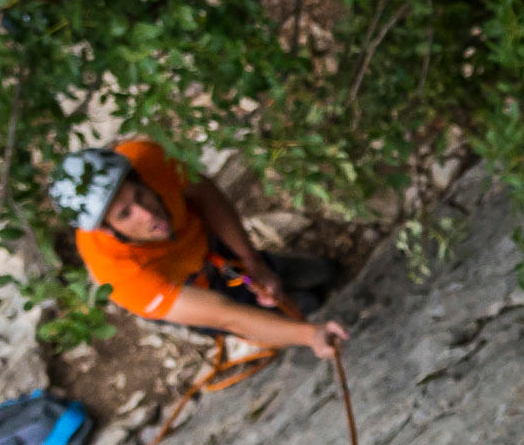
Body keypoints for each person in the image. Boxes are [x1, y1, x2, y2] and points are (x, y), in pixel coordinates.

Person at [50, 139, 348, 359]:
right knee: (304, 307)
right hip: (186, 285)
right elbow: (225, 314)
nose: (148, 214)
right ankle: (260, 325)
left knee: (323, 272)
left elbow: (207, 197)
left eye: (140, 195)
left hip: (205, 243)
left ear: (139, 179)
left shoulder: (149, 160)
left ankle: (272, 274)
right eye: (125, 214)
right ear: (106, 229)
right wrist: (310, 335)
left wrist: (252, 261)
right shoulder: (118, 273)